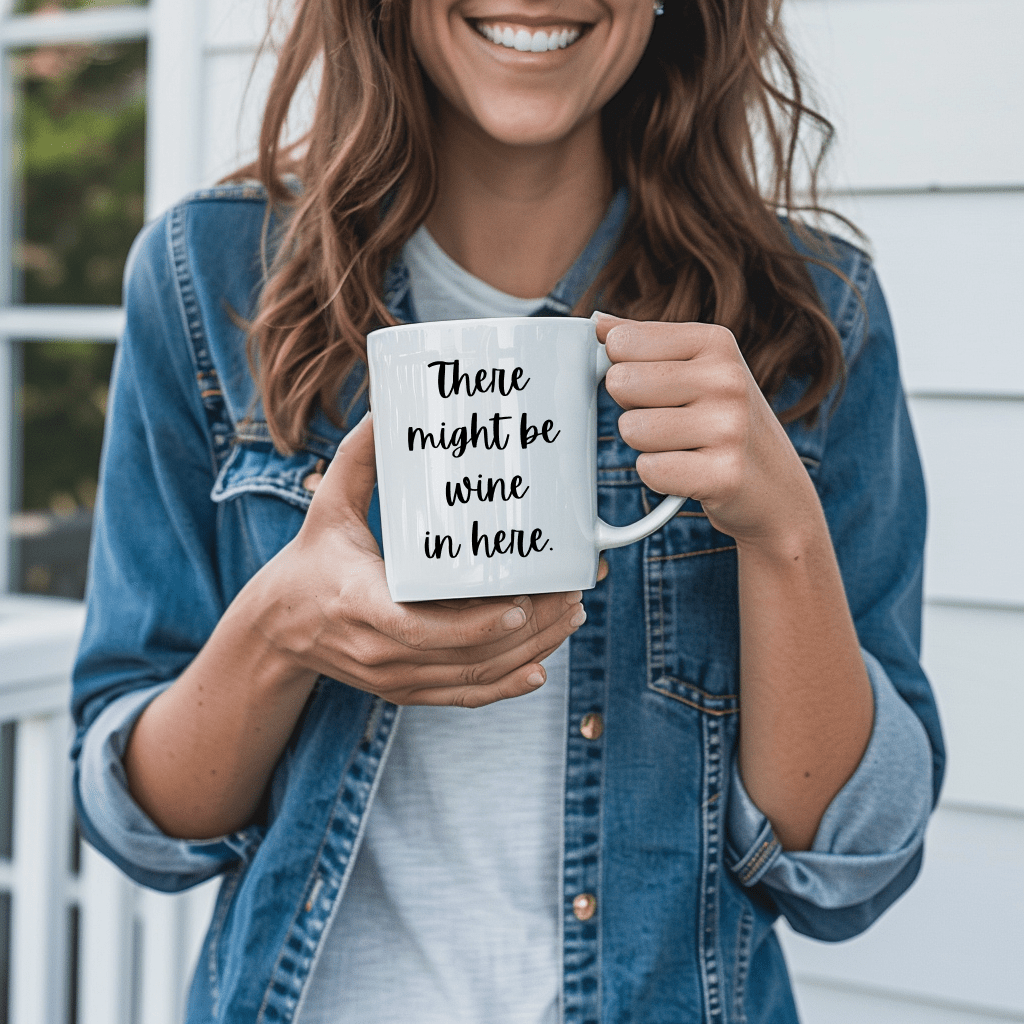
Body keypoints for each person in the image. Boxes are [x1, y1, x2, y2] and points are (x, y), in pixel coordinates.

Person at [70, 0, 944, 1020]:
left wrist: (781, 530)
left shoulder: (809, 307)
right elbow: (142, 827)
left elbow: (845, 871)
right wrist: (280, 634)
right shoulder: (207, 280)